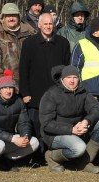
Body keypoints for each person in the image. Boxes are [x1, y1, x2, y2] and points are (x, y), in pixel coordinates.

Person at [39, 65, 99, 173]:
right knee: (79, 147)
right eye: (68, 77)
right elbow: (46, 124)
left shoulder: (83, 91)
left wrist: (86, 121)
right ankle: (52, 156)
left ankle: (83, 162)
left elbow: (97, 108)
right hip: (55, 135)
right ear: (62, 79)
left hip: (79, 130)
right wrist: (71, 129)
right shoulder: (51, 94)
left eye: (75, 77)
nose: (72, 81)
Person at [19, 13, 71, 151]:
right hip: (35, 93)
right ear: (39, 25)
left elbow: (67, 70)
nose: (48, 26)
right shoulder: (29, 43)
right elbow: (23, 70)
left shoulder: (63, 43)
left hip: (56, 93)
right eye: (45, 24)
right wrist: (25, 92)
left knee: (54, 123)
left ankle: (53, 151)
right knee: (35, 123)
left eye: (51, 24)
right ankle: (37, 154)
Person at [0, 70, 39, 172]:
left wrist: (25, 136)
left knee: (34, 142)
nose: (8, 91)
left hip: (8, 138)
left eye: (11, 88)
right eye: (5, 88)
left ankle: (6, 159)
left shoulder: (18, 102)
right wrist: (12, 139)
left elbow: (24, 122)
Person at [0, 2, 36, 87]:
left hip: (29, 84)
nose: (11, 18)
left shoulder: (29, 34)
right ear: (3, 18)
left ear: (18, 17)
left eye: (14, 15)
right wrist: (3, 85)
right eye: (8, 16)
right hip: (7, 85)